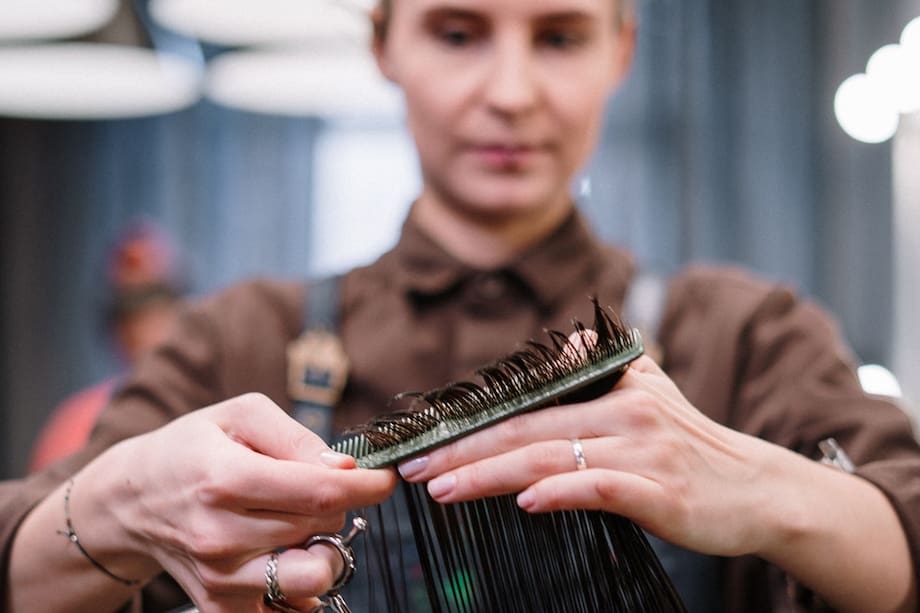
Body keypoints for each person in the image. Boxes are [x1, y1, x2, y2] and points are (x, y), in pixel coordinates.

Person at [2, 0, 919, 611]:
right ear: (382, 43)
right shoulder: (239, 340)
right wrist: (120, 501)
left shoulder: (747, 337)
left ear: (622, 48)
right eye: (456, 32)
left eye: (558, 36)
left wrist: (765, 488)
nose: (509, 94)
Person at [29, 221, 187, 472]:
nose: (142, 329)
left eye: (155, 306)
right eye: (128, 312)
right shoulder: (78, 421)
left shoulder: (204, 410)